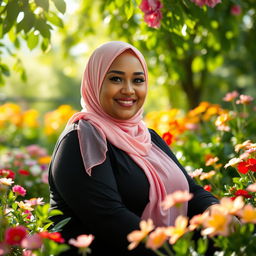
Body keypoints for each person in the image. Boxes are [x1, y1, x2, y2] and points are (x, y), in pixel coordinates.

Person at [48, 41, 219, 256]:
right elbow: (111, 219)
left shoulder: (148, 137)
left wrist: (219, 213)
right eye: (116, 79)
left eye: (138, 80)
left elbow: (191, 191)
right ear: (95, 82)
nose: (129, 90)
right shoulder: (82, 140)